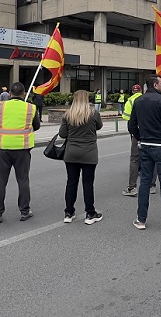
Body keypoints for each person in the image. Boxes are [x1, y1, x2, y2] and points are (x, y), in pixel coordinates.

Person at [128, 74, 161, 230]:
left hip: (145, 145)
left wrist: (140, 137)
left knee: (144, 183)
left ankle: (141, 219)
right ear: (155, 85)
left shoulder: (138, 101)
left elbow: (131, 125)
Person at [0, 82, 40, 223]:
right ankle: (24, 211)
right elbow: (36, 126)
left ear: (10, 94)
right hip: (22, 150)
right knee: (23, 181)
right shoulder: (30, 107)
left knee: (0, 182)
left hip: (3, 148)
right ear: (24, 93)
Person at [59, 90, 104, 224]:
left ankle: (69, 212)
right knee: (88, 183)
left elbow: (62, 134)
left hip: (71, 152)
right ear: (87, 99)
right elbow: (99, 126)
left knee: (71, 182)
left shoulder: (68, 115)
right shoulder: (93, 114)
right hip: (89, 153)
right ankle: (90, 213)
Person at [121, 84, 158, 196]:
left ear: (132, 91)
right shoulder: (154, 100)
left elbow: (127, 118)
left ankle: (132, 187)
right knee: (152, 158)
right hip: (152, 133)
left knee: (134, 158)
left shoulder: (130, 101)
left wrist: (134, 134)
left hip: (137, 132)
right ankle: (152, 186)